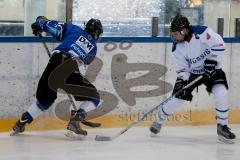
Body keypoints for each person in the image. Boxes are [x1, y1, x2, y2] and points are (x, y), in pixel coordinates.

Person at [10, 16, 103, 138]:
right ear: (96, 33)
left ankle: (21, 122)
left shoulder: (75, 29)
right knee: (94, 97)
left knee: (45, 101)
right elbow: (80, 68)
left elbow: (52, 26)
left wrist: (39, 22)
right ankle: (76, 119)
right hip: (71, 66)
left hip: (55, 61)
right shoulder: (93, 48)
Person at [149, 14, 236, 143]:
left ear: (184, 30)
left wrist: (212, 60)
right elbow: (182, 69)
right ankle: (159, 120)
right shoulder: (176, 48)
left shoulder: (202, 32)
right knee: (177, 98)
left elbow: (220, 44)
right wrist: (183, 81)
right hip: (192, 73)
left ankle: (222, 127)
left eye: (175, 33)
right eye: (172, 33)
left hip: (212, 69)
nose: (173, 36)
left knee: (222, 92)